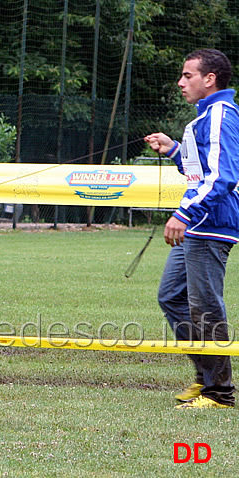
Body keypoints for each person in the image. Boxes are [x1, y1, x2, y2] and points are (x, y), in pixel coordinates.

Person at [145, 49, 239, 409]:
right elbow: (198, 170)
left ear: (209, 79)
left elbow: (222, 177)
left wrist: (183, 213)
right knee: (171, 297)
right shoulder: (205, 118)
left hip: (211, 224)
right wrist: (172, 150)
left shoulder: (218, 116)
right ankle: (206, 374)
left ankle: (219, 392)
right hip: (198, 224)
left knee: (206, 307)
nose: (181, 82)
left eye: (188, 75)